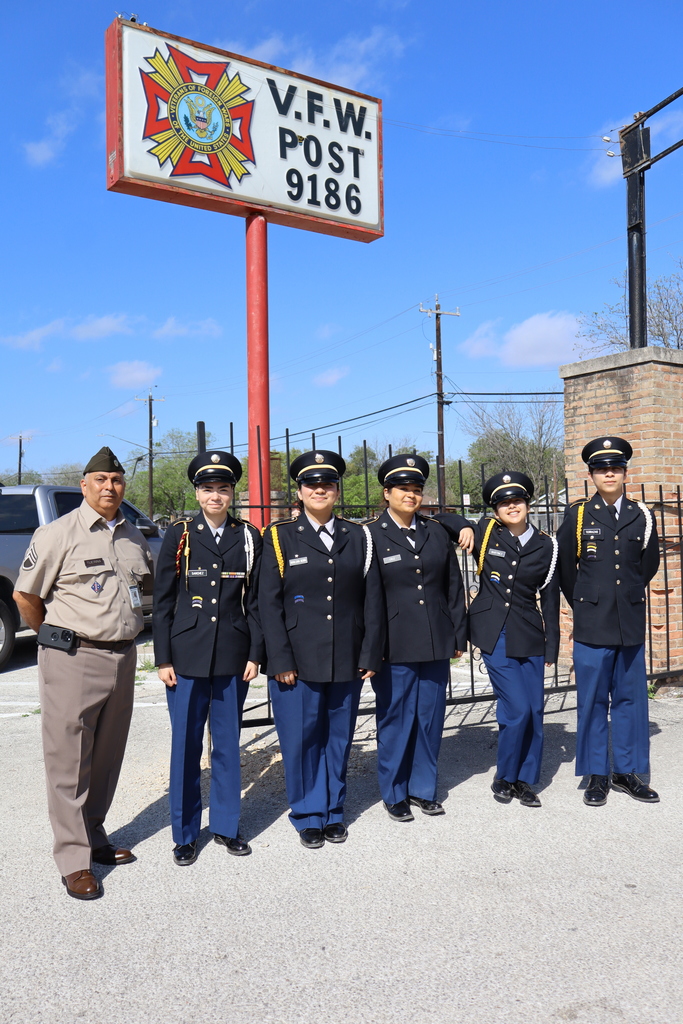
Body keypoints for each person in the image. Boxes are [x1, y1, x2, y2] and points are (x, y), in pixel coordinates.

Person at [13, 447, 153, 900]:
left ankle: (94, 835)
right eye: (100, 480)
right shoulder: (56, 533)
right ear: (84, 485)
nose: (110, 487)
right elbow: (26, 598)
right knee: (69, 760)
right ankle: (74, 861)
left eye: (116, 480)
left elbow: (143, 590)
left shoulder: (132, 535)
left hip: (123, 657)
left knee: (107, 756)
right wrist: (56, 637)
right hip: (74, 659)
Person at [258, 450, 385, 848]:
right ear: (299, 491)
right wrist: (278, 659)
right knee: (300, 739)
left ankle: (333, 811)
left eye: (327, 484)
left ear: (336, 490)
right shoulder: (278, 537)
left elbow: (372, 599)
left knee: (338, 738)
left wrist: (369, 653)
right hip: (296, 660)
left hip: (346, 655)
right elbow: (268, 603)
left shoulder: (358, 536)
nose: (320, 490)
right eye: (312, 484)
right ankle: (307, 813)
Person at [153, 451, 264, 865]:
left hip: (234, 657)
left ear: (232, 492)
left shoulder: (249, 535)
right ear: (197, 494)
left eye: (222, 489)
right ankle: (184, 834)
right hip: (186, 658)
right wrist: (163, 658)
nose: (214, 496)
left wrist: (256, 653)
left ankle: (226, 827)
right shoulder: (180, 535)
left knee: (227, 747)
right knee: (185, 747)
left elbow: (255, 602)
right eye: (206, 489)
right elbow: (163, 602)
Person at [436, 472, 560, 807]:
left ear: (527, 504)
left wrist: (553, 646)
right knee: (517, 708)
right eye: (504, 503)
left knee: (533, 709)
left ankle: (525, 779)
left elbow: (550, 600)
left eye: (517, 501)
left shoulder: (547, 545)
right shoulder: (486, 532)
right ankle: (504, 775)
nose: (512, 507)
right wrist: (462, 523)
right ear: (495, 509)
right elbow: (439, 518)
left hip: (530, 631)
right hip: (494, 631)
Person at [557, 436, 660, 806]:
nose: (609, 473)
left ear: (625, 472)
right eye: (602, 468)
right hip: (592, 623)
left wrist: (624, 595)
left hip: (629, 621)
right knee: (593, 701)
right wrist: (585, 604)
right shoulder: (578, 514)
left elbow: (648, 565)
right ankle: (597, 774)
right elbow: (566, 569)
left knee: (631, 700)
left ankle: (627, 772)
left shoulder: (642, 515)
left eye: (615, 467)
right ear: (591, 474)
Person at [365, 455, 467, 821]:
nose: (411, 495)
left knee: (430, 717)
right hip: (394, 642)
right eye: (403, 489)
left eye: (416, 489)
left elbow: (453, 585)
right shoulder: (370, 535)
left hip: (436, 638)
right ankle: (394, 792)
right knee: (395, 718)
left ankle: (423, 788)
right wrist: (370, 649)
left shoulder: (436, 531)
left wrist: (459, 632)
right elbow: (368, 596)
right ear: (386, 493)